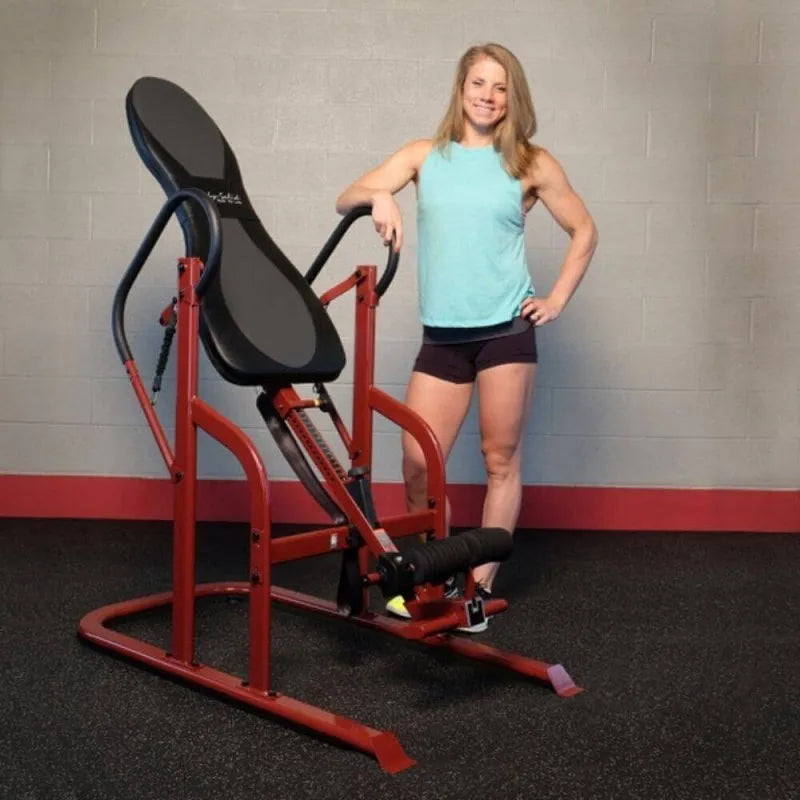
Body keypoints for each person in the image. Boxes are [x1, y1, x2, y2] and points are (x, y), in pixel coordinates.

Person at [335, 43, 597, 631]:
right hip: (443, 337)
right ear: (461, 89)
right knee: (416, 461)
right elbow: (344, 196)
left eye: (500, 87)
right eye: (478, 83)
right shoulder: (425, 156)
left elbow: (584, 230)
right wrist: (380, 195)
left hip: (505, 331)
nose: (487, 95)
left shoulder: (530, 163)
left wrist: (554, 299)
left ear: (512, 97)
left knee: (499, 459)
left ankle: (477, 590)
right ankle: (435, 573)